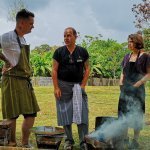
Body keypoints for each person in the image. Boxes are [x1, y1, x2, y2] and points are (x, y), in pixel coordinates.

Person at [0, 9, 40, 148]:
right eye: (31, 23)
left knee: (31, 113)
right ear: (21, 23)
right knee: (12, 114)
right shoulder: (7, 37)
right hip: (11, 79)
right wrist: (5, 60)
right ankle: (11, 142)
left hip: (24, 80)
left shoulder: (22, 38)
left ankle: (24, 142)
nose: (33, 26)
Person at [52, 27, 90, 150]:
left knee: (82, 113)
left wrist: (83, 85)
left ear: (75, 36)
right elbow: (54, 70)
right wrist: (56, 87)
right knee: (65, 114)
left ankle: (83, 141)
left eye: (69, 35)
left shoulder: (82, 51)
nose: (66, 38)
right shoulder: (59, 52)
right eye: (64, 36)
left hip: (78, 86)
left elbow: (87, 69)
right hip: (63, 86)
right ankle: (69, 141)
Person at [118, 33, 150, 149]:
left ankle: (135, 140)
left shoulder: (145, 56)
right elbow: (123, 71)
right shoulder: (127, 56)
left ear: (137, 42)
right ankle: (125, 138)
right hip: (125, 90)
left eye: (131, 41)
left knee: (136, 115)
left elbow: (148, 74)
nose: (129, 43)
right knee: (124, 114)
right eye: (128, 41)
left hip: (137, 91)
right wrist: (121, 80)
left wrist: (139, 83)